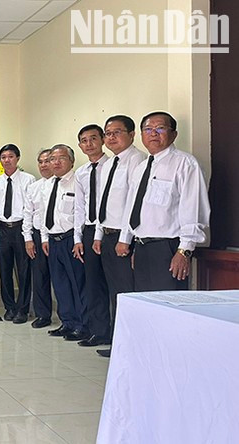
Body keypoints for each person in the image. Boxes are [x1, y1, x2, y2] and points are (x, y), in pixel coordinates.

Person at [117, 112, 210, 291]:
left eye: (160, 128)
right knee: (146, 304)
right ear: (141, 135)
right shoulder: (141, 167)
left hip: (168, 248)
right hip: (143, 246)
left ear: (173, 134)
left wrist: (184, 251)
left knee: (169, 305)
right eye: (148, 129)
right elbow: (132, 206)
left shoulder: (185, 164)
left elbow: (194, 209)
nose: (153, 133)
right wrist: (128, 241)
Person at [92, 115, 146, 358]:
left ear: (132, 134)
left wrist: (126, 239)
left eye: (117, 132)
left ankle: (131, 346)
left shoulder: (138, 161)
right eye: (108, 134)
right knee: (115, 292)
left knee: (127, 293)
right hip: (109, 236)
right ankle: (119, 343)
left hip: (127, 239)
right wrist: (98, 234)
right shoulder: (110, 165)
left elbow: (133, 206)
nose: (111, 138)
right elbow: (104, 205)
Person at [43, 145, 88, 341]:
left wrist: (78, 238)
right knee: (60, 284)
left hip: (71, 239)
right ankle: (67, 322)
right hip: (53, 240)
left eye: (61, 158)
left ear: (71, 161)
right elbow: (43, 213)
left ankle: (81, 324)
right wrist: (45, 238)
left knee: (77, 284)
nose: (56, 162)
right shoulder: (48, 184)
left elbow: (81, 213)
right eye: (53, 158)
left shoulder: (77, 181)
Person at [73, 125, 111, 347]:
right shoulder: (82, 172)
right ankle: (98, 329)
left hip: (109, 231)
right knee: (93, 283)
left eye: (93, 139)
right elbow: (80, 208)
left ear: (103, 140)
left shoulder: (112, 167)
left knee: (112, 283)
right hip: (88, 231)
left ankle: (113, 331)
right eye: (84, 141)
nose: (89, 144)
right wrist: (78, 238)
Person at [0, 144, 35, 324]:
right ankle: (9, 307)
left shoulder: (28, 180)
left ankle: (22, 309)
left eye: (10, 156)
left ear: (17, 158)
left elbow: (30, 210)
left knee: (23, 271)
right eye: (3, 157)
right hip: (1, 229)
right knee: (4, 270)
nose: (7, 160)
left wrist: (28, 234)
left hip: (21, 228)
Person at [22, 149, 54, 328]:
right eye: (40, 161)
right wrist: (28, 239)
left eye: (48, 161)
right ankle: (43, 315)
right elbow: (28, 213)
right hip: (35, 236)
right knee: (39, 277)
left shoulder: (65, 184)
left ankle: (70, 318)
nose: (44, 165)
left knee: (61, 279)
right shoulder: (34, 187)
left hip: (57, 236)